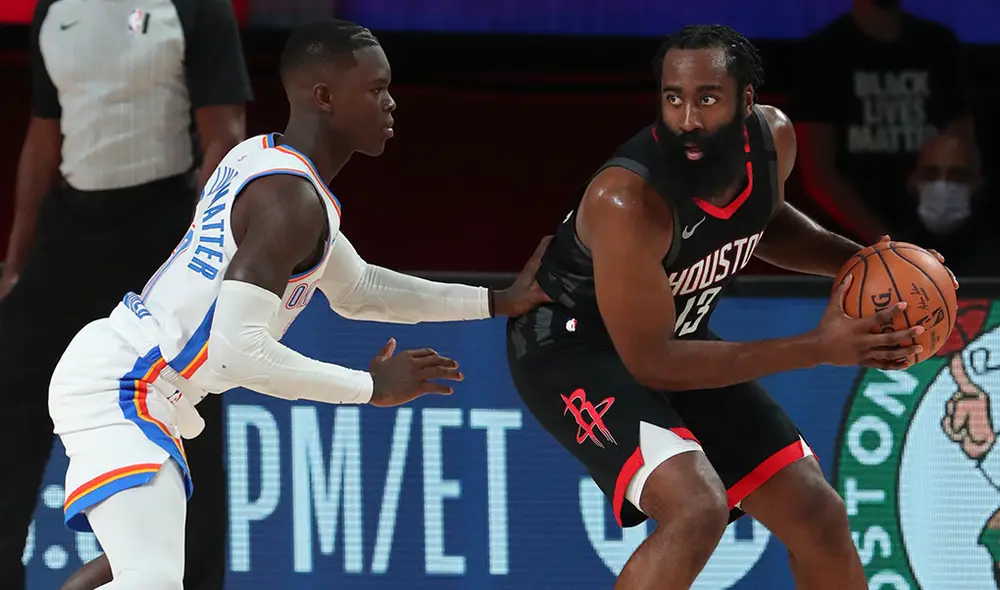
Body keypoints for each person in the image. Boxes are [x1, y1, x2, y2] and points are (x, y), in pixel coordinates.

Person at [49, 19, 549, 589]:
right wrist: (369, 388)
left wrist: (496, 301)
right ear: (325, 97)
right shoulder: (290, 200)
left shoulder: (267, 161)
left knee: (139, 569)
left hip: (135, 378)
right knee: (152, 580)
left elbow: (361, 290)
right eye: (376, 88)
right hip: (129, 386)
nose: (391, 103)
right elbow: (237, 351)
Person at [506, 25, 956, 590]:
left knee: (819, 515)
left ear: (747, 101)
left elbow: (763, 221)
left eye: (707, 98)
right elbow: (653, 364)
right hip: (572, 348)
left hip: (673, 336)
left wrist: (860, 262)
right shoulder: (626, 201)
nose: (687, 118)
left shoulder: (774, 141)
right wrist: (817, 348)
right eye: (673, 98)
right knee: (696, 507)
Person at [0, 1, 252, 588]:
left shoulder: (196, 8)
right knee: (9, 422)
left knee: (187, 434)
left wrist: (201, 261)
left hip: (159, 236)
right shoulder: (52, 10)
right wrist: (15, 262)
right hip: (67, 237)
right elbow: (44, 133)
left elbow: (225, 135)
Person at [794, 0, 977, 244]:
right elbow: (818, 173)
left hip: (941, 236)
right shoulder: (823, 52)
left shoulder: (938, 45)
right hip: (852, 244)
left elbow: (963, 146)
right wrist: (886, 243)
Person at [905, 132, 999, 277]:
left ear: (978, 184)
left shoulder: (994, 260)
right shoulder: (897, 255)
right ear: (912, 181)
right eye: (931, 173)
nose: (941, 185)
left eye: (956, 175)